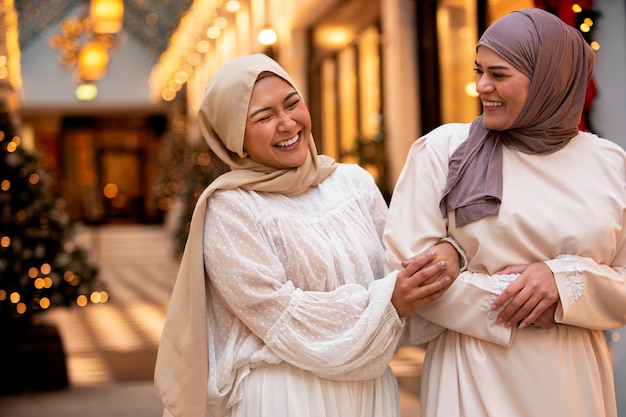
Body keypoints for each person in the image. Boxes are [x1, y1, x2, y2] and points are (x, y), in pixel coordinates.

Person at [154, 53, 461, 417]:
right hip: (287, 394)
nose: (287, 124)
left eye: (292, 103)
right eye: (264, 117)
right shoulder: (232, 208)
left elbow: (403, 264)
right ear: (235, 137)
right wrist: (388, 301)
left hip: (369, 388)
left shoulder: (353, 183)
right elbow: (279, 316)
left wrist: (448, 251)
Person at [383, 8, 626, 417]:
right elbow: (408, 273)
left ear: (549, 78)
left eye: (498, 74)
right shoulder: (444, 151)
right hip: (476, 371)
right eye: (480, 71)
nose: (481, 86)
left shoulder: (608, 163)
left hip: (572, 378)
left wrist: (563, 282)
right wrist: (513, 299)